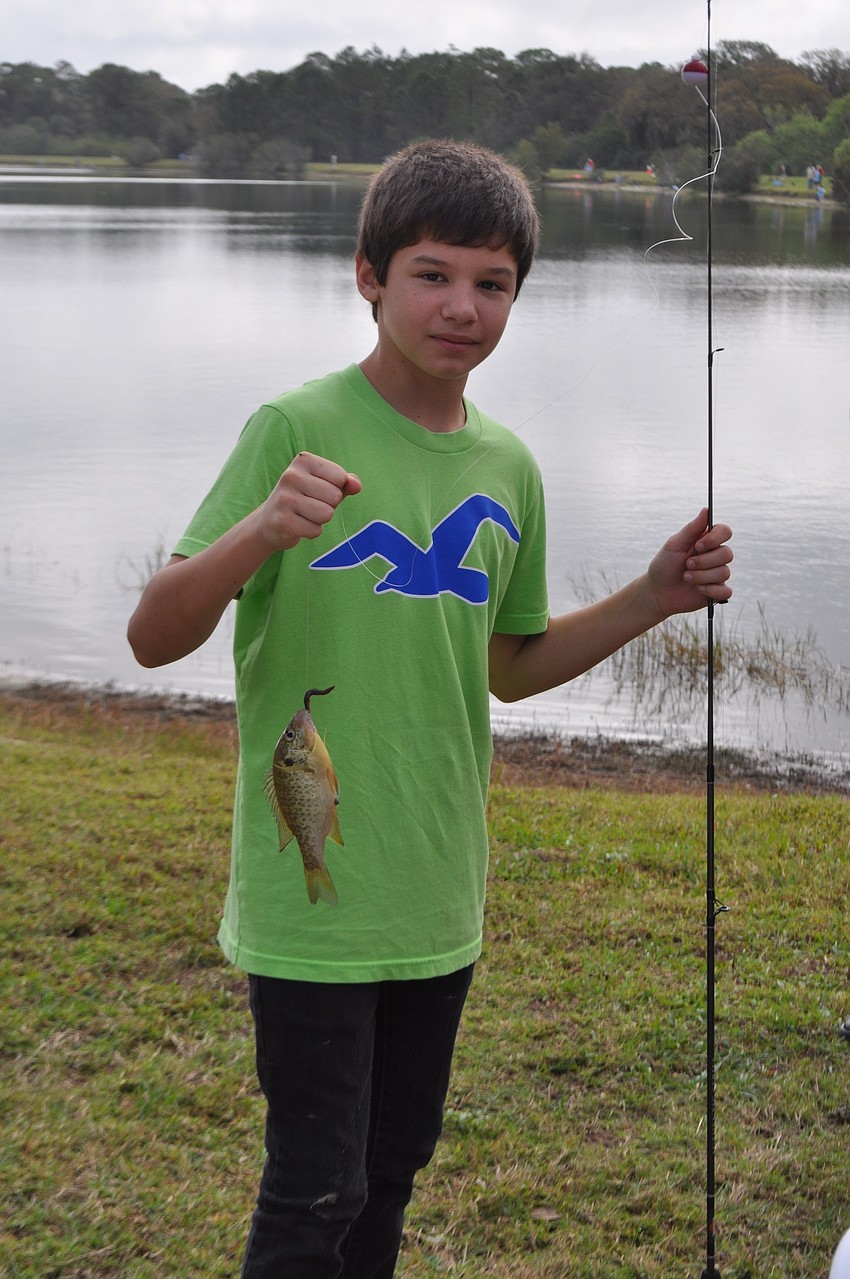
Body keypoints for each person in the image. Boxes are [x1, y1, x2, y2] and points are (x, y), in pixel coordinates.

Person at [127, 139, 733, 1278]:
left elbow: (509, 665)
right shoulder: (293, 426)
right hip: (311, 899)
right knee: (315, 1185)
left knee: (392, 1169)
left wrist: (652, 597)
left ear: (517, 295)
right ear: (367, 275)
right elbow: (153, 636)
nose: (463, 306)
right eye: (433, 273)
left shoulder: (508, 466)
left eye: (491, 283)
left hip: (438, 883)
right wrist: (262, 528)